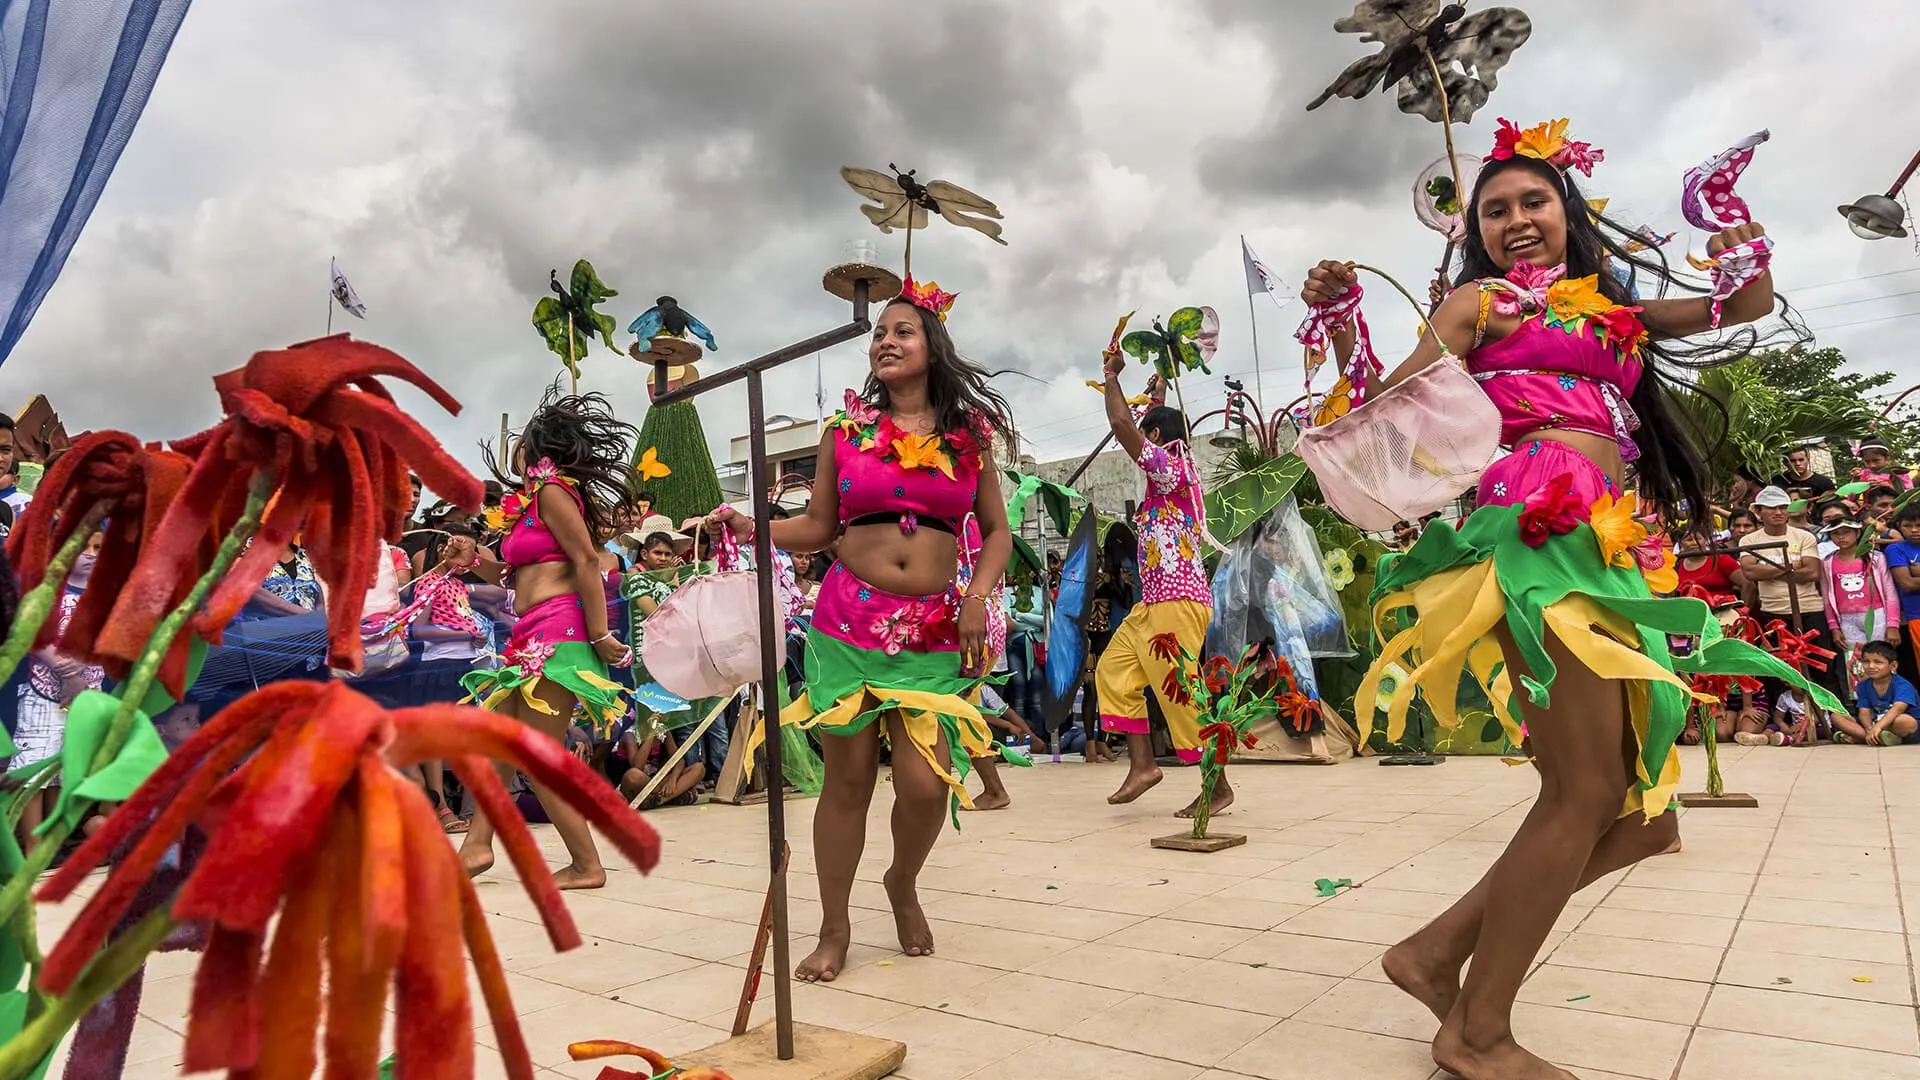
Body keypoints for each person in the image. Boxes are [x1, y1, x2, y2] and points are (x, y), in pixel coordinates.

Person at [1298, 118, 1840, 1080]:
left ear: (1569, 211)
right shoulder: (1479, 307)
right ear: (1475, 232)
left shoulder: (1615, 313)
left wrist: (1729, 223)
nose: (1515, 219)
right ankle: (1475, 1033)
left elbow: (1747, 300)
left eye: (1533, 201)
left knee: (1646, 816)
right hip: (1533, 534)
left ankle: (1432, 955)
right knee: (1585, 792)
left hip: (1612, 545)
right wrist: (1344, 322)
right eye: (1494, 208)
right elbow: (1386, 409)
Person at [707, 277, 1016, 983]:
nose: (885, 340)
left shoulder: (970, 439)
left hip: (935, 630)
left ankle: (902, 881)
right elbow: (819, 528)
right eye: (879, 332)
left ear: (932, 347)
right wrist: (754, 527)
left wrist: (976, 596)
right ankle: (834, 928)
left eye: (902, 330)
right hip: (846, 624)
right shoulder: (843, 434)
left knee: (924, 784)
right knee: (846, 784)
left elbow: (995, 532)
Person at [454, 386, 636, 890]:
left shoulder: (555, 492)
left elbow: (585, 563)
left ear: (537, 449)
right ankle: (476, 845)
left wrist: (600, 634)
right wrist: (469, 560)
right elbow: (516, 579)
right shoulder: (531, 504)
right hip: (530, 630)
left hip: (562, 630)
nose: (513, 450)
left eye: (521, 443)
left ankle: (586, 865)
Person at [1095, 356, 1218, 816]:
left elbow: (1119, 420)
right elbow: (1145, 425)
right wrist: (1160, 394)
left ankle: (1216, 784)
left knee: (1180, 693)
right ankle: (1144, 766)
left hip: (1178, 602)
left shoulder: (1171, 468)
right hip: (1155, 604)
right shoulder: (1170, 476)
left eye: (1148, 434)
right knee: (1113, 672)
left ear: (1157, 439)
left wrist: (1112, 377)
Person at [1739, 487, 1838, 698]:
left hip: (1809, 609)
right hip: (1773, 612)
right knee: (1780, 668)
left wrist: (1766, 571)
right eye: (1772, 508)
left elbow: (1811, 572)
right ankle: (1785, 717)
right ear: (1759, 512)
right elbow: (1749, 572)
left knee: (1822, 666)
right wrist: (1791, 566)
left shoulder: (1804, 537)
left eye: (1783, 507)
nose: (1778, 512)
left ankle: (1830, 716)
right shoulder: (1748, 541)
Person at [1820, 517, 1900, 681]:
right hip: (1846, 618)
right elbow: (1827, 597)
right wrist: (1834, 627)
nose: (1841, 537)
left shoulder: (1875, 557)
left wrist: (1893, 624)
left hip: (1876, 615)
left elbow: (1890, 592)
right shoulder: (1828, 562)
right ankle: (1863, 702)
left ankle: (1887, 699)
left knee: (1880, 658)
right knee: (1856, 663)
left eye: (1846, 532)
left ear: (1857, 533)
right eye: (1836, 534)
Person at [1834, 641, 1920, 745]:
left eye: (1878, 662)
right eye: (1866, 662)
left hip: (1899, 725)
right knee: (1836, 716)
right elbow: (1864, 712)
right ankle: (1876, 737)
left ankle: (1863, 738)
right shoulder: (1863, 685)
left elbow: (1898, 709)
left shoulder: (1903, 685)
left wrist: (1878, 727)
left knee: (1903, 721)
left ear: (1893, 666)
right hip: (1875, 723)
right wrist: (1870, 729)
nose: (1870, 666)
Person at [1884, 503, 1920, 686]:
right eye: (1908, 525)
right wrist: (1912, 574)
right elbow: (1907, 583)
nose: (1914, 530)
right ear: (1899, 526)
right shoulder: (1896, 549)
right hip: (1916, 616)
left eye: (1919, 525)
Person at [1672, 528, 1743, 610]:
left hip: (1724, 615)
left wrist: (1742, 612)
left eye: (1698, 539)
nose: (1695, 543)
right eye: (1689, 540)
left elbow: (1747, 584)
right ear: (1681, 543)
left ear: (1705, 541)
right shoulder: (1677, 565)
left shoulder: (1721, 559)